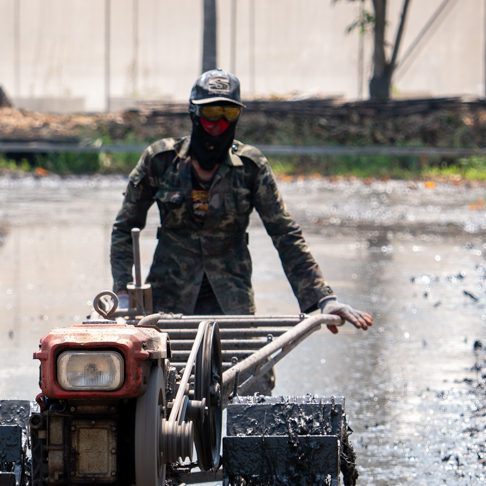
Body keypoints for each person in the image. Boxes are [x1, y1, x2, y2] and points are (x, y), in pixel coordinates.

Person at [109, 69, 374, 331]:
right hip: (168, 300)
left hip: (230, 302)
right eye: (211, 112)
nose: (219, 123)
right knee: (153, 370)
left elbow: (285, 234)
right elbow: (124, 227)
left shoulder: (251, 167)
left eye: (229, 113)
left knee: (254, 370)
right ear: (194, 112)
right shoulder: (160, 160)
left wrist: (323, 298)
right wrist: (122, 291)